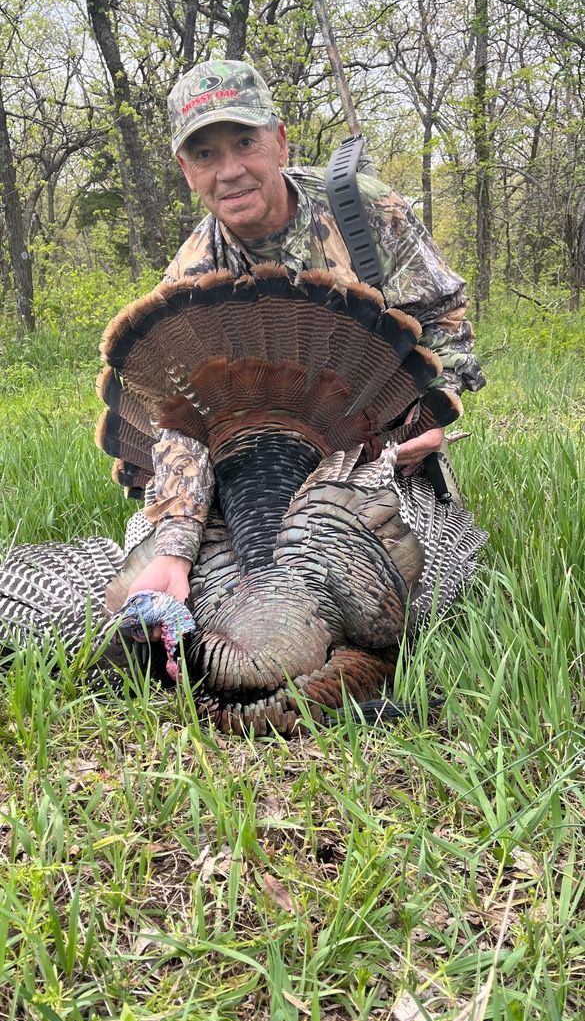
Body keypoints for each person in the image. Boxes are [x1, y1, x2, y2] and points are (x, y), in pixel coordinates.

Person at [124, 58, 485, 625]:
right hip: (253, 476)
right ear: (186, 171)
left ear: (280, 141)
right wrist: (176, 542)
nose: (230, 171)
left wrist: (428, 417)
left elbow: (445, 318)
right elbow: (179, 421)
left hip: (375, 454)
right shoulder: (190, 279)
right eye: (205, 155)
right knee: (221, 604)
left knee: (422, 608)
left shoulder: (364, 212)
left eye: (245, 141)